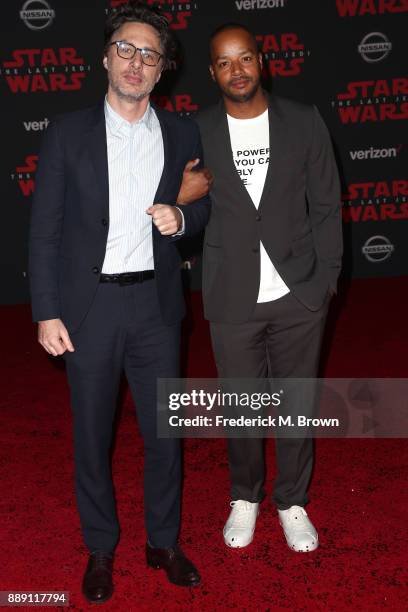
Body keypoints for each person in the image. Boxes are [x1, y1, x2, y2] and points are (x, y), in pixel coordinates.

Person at [29, 1, 210, 603]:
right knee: (92, 437)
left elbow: (205, 201)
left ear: (163, 71)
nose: (136, 62)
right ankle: (100, 547)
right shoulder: (65, 133)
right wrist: (46, 310)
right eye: (126, 50)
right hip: (90, 310)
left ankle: (163, 542)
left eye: (149, 55)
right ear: (106, 58)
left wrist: (182, 215)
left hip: (157, 308)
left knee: (165, 435)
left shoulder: (184, 131)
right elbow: (45, 230)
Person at [181, 23, 342, 554]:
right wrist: (182, 196)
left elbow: (326, 205)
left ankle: (292, 500)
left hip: (299, 292)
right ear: (212, 72)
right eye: (224, 62)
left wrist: (325, 283)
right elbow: (179, 208)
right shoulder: (196, 131)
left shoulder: (302, 120)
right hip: (231, 295)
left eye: (245, 58)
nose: (237, 70)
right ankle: (245, 496)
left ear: (261, 62)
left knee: (296, 402)